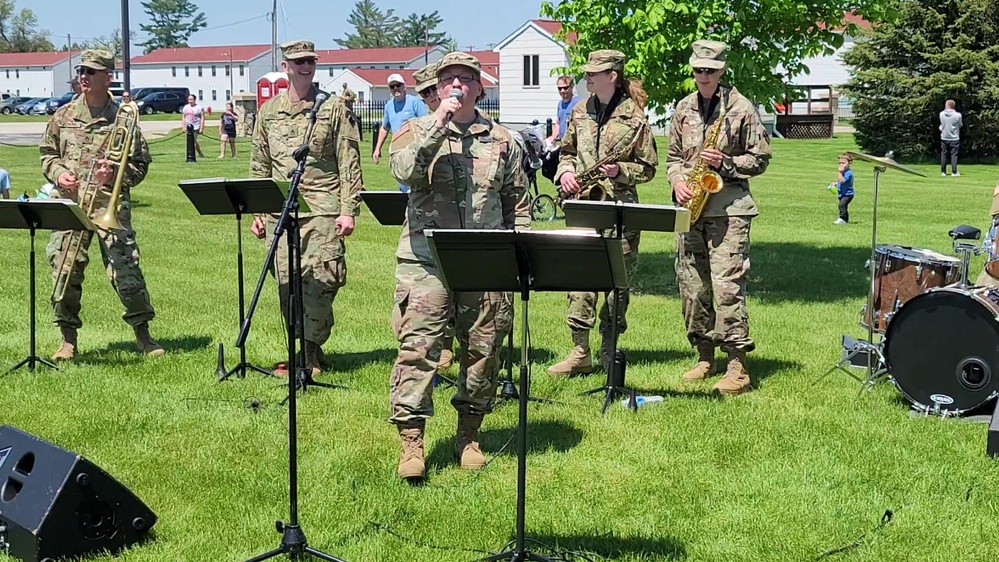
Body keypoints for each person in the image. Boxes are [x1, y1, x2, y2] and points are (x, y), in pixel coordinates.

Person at [387, 51, 529, 481]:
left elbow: (516, 202)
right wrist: (438, 125)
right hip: (425, 263)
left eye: (466, 79)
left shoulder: (503, 140)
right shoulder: (416, 129)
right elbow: (405, 171)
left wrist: (516, 250)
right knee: (419, 350)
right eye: (449, 78)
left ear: (479, 87)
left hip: (484, 261)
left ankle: (469, 435)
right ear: (438, 85)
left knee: (484, 350)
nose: (457, 86)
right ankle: (412, 443)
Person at [249, 40, 363, 377]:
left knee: (321, 281)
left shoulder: (332, 108)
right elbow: (259, 163)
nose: (305, 66)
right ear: (285, 66)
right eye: (298, 61)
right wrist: (258, 210)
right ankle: (297, 350)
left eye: (310, 61)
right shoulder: (269, 111)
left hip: (323, 208)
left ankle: (312, 353)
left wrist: (348, 209)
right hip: (280, 212)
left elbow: (349, 160)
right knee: (288, 283)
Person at [39, 49, 162, 361]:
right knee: (64, 269)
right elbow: (47, 153)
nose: (83, 76)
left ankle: (143, 335)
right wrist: (59, 173)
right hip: (71, 204)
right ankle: (67, 340)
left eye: (91, 71)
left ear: (108, 76)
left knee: (126, 272)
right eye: (82, 70)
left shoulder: (123, 118)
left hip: (110, 206)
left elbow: (140, 164)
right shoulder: (63, 116)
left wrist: (116, 176)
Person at [667, 40, 772, 396]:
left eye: (710, 70)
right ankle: (704, 354)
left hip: (729, 210)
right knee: (692, 287)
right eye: (698, 70)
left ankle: (737, 365)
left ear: (722, 70)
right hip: (690, 208)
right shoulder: (683, 108)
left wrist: (725, 164)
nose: (703, 76)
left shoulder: (741, 108)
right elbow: (672, 158)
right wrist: (678, 183)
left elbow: (760, 158)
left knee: (726, 286)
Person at [546, 50, 658, 377]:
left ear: (612, 75)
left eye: (595, 73)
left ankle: (610, 351)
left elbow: (648, 168)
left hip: (620, 212)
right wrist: (565, 174)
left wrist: (618, 171)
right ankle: (580, 351)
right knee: (579, 280)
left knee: (616, 285)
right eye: (587, 73)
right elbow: (566, 152)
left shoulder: (635, 117)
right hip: (583, 206)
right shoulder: (580, 110)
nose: (588, 78)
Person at [373, 73, 427, 192]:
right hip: (398, 151)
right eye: (392, 87)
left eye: (398, 85)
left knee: (416, 181)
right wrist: (377, 149)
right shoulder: (389, 106)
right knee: (403, 180)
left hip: (414, 149)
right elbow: (385, 128)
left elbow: (426, 123)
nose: (396, 89)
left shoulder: (415, 102)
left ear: (404, 86)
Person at [546, 75, 582, 145]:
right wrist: (553, 137)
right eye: (560, 88)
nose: (562, 91)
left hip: (576, 144)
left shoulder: (579, 102)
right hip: (564, 143)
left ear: (571, 87)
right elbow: (558, 122)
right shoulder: (560, 104)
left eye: (565, 88)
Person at [940, 99, 962, 177]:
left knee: (944, 154)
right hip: (954, 137)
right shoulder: (958, 115)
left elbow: (942, 124)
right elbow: (960, 124)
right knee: (954, 155)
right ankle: (954, 171)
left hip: (944, 137)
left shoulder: (941, 114)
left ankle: (943, 171)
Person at [181, 94, 205, 158]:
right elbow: (183, 117)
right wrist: (183, 127)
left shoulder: (199, 107)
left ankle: (194, 155)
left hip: (196, 126)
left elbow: (202, 118)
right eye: (189, 99)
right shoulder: (186, 107)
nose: (190, 101)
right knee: (191, 141)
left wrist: (201, 128)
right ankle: (197, 153)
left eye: (191, 99)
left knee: (193, 141)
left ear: (195, 100)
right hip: (188, 127)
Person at [833, 153, 854, 225]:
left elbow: (842, 181)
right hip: (841, 193)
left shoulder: (849, 173)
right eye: (840, 163)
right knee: (843, 206)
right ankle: (845, 219)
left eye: (843, 163)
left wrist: (839, 172)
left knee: (841, 205)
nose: (841, 164)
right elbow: (839, 181)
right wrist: (836, 183)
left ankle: (842, 219)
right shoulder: (843, 172)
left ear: (849, 164)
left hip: (848, 194)